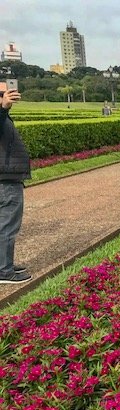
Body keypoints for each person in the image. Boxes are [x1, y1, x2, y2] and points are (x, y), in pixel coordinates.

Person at [0, 85, 32, 284]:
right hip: (6, 181)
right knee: (7, 226)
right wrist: (3, 108)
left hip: (6, 178)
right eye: (2, 94)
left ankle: (5, 264)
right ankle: (4, 271)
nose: (7, 95)